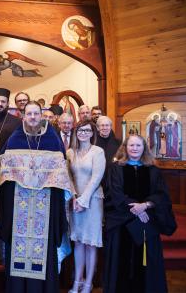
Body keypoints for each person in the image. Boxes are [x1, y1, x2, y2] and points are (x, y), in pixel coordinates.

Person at [0, 101, 74, 293]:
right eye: (29, 114)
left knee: (44, 250)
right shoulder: (14, 139)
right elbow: (4, 172)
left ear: (41, 115)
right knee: (18, 247)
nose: (32, 117)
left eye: (36, 114)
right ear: (24, 116)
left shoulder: (53, 140)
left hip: (45, 205)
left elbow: (60, 176)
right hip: (19, 205)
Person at [103, 135, 177, 293]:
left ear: (144, 148)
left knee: (147, 265)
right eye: (131, 145)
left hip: (147, 223)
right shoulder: (116, 168)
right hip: (122, 223)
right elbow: (113, 193)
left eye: (138, 145)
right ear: (125, 148)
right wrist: (136, 210)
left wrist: (145, 205)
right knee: (121, 263)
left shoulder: (153, 170)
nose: (134, 148)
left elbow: (162, 195)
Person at [66, 120, 105, 293]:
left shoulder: (98, 152)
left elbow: (97, 178)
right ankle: (77, 281)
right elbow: (68, 178)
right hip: (75, 201)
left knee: (90, 243)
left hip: (93, 200)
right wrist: (74, 197)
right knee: (78, 242)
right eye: (80, 130)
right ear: (76, 132)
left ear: (92, 133)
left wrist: (83, 200)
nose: (83, 133)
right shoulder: (70, 152)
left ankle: (88, 283)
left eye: (87, 130)